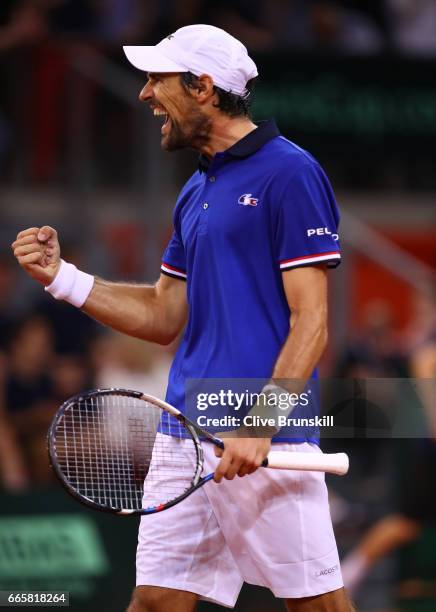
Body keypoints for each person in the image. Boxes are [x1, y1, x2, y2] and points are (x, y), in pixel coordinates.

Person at [12, 24, 352, 611]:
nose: (144, 95)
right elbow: (165, 314)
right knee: (154, 602)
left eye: (157, 79)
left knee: (317, 607)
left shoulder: (290, 174)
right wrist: (63, 278)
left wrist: (261, 423)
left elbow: (312, 322)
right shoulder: (195, 190)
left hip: (257, 430)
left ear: (202, 87)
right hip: (183, 434)